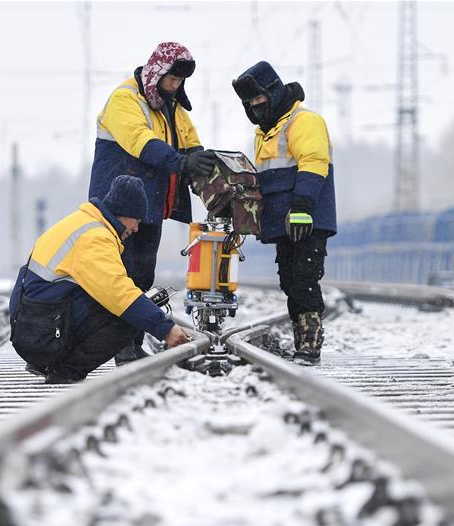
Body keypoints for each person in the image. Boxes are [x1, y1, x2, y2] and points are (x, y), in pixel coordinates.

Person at [89, 41, 217, 365]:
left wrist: (207, 175)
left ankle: (129, 343)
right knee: (124, 276)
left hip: (150, 206)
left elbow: (191, 146)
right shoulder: (125, 99)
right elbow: (140, 142)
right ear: (157, 73)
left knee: (142, 276)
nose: (174, 86)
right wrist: (181, 163)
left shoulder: (172, 108)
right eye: (171, 79)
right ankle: (120, 347)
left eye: (180, 81)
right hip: (119, 207)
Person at [9, 175, 190, 383]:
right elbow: (118, 293)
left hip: (33, 327)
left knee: (128, 305)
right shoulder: (95, 237)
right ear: (124, 213)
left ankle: (49, 362)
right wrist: (165, 328)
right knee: (128, 314)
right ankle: (66, 371)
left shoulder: (82, 222)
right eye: (136, 220)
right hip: (42, 336)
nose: (136, 229)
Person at [231, 61, 337, 364]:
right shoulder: (264, 132)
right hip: (282, 221)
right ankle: (301, 338)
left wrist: (302, 206)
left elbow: (314, 162)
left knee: (304, 277)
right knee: (289, 279)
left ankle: (309, 342)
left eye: (258, 100)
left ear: (272, 93)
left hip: (306, 217)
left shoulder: (303, 121)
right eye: (249, 104)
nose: (255, 107)